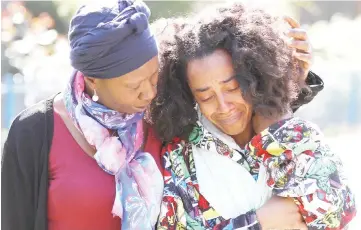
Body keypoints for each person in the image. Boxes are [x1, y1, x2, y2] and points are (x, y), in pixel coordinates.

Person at [2, 1, 325, 230]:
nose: (149, 93)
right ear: (91, 79)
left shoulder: (165, 114)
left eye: (153, 76)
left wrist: (291, 74)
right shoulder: (37, 132)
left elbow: (241, 127)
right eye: (133, 85)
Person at [150, 3, 356, 230]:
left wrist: (276, 126)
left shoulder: (289, 132)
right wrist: (256, 224)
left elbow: (339, 211)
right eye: (206, 96)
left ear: (254, 75)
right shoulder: (181, 157)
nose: (223, 106)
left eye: (232, 88)